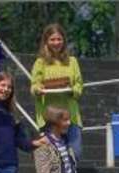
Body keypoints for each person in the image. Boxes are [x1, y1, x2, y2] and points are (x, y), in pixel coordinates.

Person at [31, 23, 84, 159]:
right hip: (49, 117)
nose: (56, 43)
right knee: (53, 158)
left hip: (70, 116)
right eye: (52, 39)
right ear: (46, 42)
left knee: (75, 154)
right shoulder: (40, 62)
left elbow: (79, 85)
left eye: (59, 39)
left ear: (64, 41)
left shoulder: (72, 61)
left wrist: (73, 91)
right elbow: (34, 86)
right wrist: (38, 89)